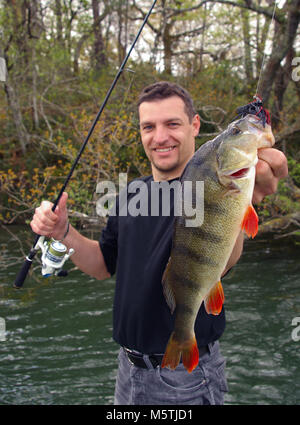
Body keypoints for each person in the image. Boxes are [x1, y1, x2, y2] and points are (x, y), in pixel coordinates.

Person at [30, 81, 288, 405]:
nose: (160, 136)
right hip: (127, 370)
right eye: (148, 126)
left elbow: (224, 259)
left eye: (172, 124)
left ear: (195, 125)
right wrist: (63, 231)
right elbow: (101, 266)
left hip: (186, 379)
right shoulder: (129, 194)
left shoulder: (205, 188)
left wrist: (248, 197)